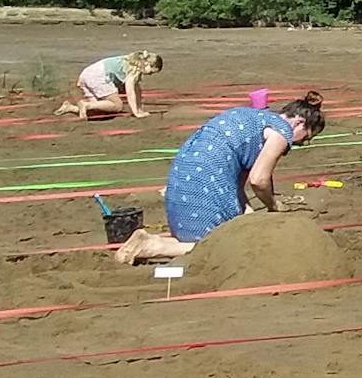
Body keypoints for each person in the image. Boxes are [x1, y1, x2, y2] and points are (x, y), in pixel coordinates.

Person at [113, 93, 326, 264]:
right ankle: (152, 245)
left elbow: (238, 185)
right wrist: (274, 205)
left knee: (232, 231)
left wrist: (250, 219)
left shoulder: (255, 118)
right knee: (220, 246)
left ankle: (154, 242)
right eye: (305, 138)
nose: (300, 144)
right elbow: (259, 180)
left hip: (184, 175)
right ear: (298, 123)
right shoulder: (281, 133)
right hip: (206, 179)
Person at [55, 51, 163, 120]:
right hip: (97, 76)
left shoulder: (133, 63)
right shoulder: (134, 68)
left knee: (101, 110)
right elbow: (130, 90)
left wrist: (140, 109)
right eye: (151, 71)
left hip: (87, 74)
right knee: (117, 105)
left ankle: (70, 108)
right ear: (148, 64)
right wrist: (136, 112)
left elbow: (137, 90)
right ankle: (85, 105)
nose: (150, 74)